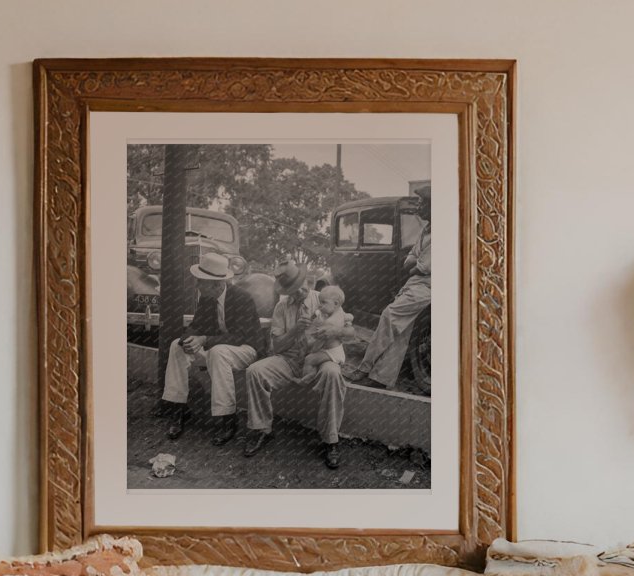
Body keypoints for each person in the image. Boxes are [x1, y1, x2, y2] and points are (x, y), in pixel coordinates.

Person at [241, 264, 357, 469]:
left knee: (333, 373)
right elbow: (276, 347)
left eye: (303, 286)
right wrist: (295, 331)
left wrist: (334, 332)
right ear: (287, 291)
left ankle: (330, 439)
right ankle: (261, 429)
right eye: (296, 290)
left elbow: (351, 333)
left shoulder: (324, 298)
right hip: (290, 359)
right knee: (255, 371)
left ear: (307, 281)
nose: (302, 292)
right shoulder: (281, 307)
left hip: (319, 358)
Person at [160, 251, 264, 443]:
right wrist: (187, 339)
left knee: (218, 352)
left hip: (246, 349)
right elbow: (196, 326)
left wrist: (204, 340)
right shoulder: (207, 298)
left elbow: (240, 337)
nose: (197, 285)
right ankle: (178, 410)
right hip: (220, 348)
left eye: (201, 281)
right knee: (176, 346)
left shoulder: (242, 298)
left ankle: (227, 419)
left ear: (217, 284)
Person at [348, 185, 431, 390]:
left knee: (389, 315)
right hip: (417, 284)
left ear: (432, 206)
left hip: (428, 286)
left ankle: (365, 368)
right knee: (401, 330)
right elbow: (409, 260)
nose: (418, 206)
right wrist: (414, 264)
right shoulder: (427, 230)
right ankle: (380, 378)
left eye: (422, 203)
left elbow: (419, 267)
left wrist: (414, 265)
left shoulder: (443, 232)